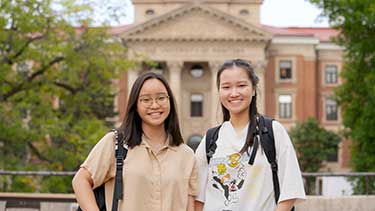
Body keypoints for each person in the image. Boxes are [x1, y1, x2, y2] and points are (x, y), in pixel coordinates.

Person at [73, 71, 197, 211]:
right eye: (146, 99)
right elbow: (81, 181)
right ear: (135, 106)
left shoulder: (186, 155)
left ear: (170, 101)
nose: (155, 105)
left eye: (161, 98)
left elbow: (190, 206)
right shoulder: (116, 143)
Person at [194, 59, 306, 211]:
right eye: (226, 87)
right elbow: (198, 198)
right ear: (219, 92)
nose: (234, 93)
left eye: (241, 85)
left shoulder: (272, 131)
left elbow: (290, 191)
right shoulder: (210, 139)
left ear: (253, 89)